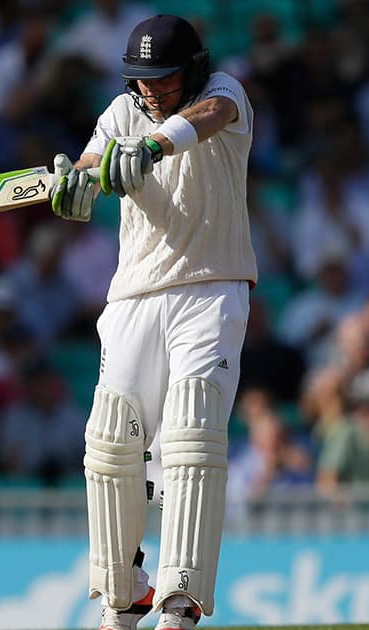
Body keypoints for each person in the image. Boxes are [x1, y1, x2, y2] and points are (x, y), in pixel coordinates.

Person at [48, 15, 257, 630]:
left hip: (211, 286)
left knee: (193, 430)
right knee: (112, 439)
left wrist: (154, 144)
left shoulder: (224, 90)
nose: (150, 92)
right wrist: (78, 183)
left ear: (190, 69)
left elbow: (208, 118)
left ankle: (180, 604)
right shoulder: (120, 111)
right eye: (141, 81)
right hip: (134, 292)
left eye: (162, 80)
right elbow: (92, 159)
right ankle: (123, 594)